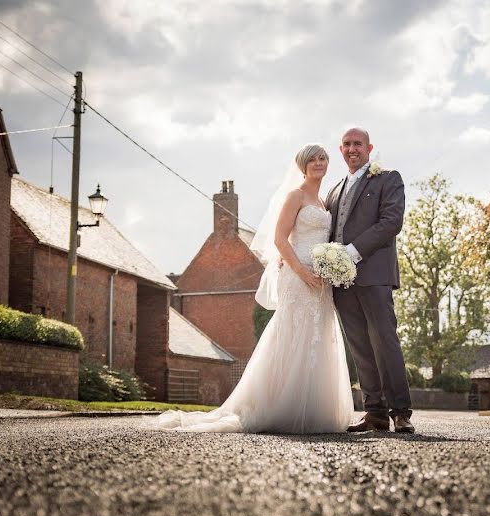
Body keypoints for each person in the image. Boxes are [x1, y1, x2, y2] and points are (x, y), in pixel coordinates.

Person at [151, 144, 354, 433]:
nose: (319, 163)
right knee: (293, 333)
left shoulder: (323, 201)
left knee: (318, 336)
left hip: (322, 280)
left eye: (323, 158)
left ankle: (313, 407)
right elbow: (280, 240)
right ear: (302, 166)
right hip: (298, 277)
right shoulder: (295, 196)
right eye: (313, 160)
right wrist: (302, 272)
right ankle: (281, 404)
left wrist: (328, 268)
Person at [325, 127, 414, 433]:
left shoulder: (388, 178)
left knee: (385, 342)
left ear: (369, 147)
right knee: (360, 346)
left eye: (358, 144)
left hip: (374, 275)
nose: (352, 149)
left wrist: (352, 252)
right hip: (341, 282)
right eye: (347, 144)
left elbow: (392, 222)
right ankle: (374, 412)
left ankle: (401, 411)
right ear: (341, 150)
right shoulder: (333, 190)